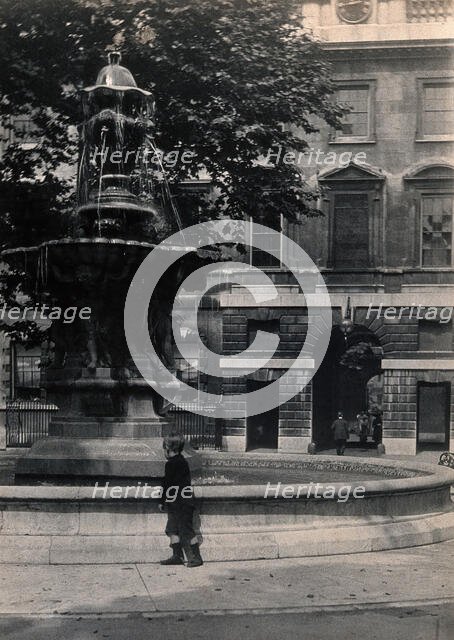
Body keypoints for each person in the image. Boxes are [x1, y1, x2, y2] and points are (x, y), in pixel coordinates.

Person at [159, 432, 203, 568]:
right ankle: (177, 556)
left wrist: (161, 501)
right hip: (181, 502)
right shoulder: (183, 461)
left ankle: (197, 557)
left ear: (167, 447)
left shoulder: (171, 464)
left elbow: (167, 484)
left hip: (180, 504)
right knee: (172, 529)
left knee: (186, 531)